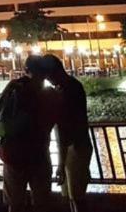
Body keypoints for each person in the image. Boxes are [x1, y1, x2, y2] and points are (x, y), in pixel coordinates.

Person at [0, 54, 55, 212]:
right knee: (42, 202)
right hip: (39, 153)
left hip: (14, 154)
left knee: (15, 203)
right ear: (44, 72)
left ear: (26, 70)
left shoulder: (13, 88)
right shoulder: (48, 94)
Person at [44, 55, 91, 212]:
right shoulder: (73, 85)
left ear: (53, 71)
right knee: (74, 196)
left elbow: (64, 129)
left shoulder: (64, 91)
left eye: (47, 75)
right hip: (80, 144)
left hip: (75, 146)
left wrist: (61, 163)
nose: (47, 79)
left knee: (75, 198)